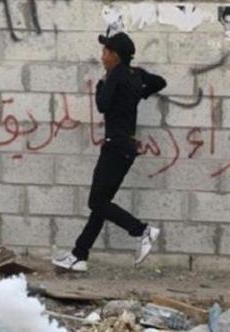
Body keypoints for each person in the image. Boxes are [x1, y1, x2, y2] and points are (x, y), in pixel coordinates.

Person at [52, 32, 167, 272]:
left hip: (115, 146)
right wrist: (138, 92)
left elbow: (103, 105)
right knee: (101, 204)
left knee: (97, 201)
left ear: (115, 55)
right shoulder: (135, 74)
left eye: (105, 52)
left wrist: (102, 84)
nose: (102, 56)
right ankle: (79, 255)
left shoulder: (115, 76)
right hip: (125, 148)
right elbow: (159, 82)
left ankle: (141, 230)